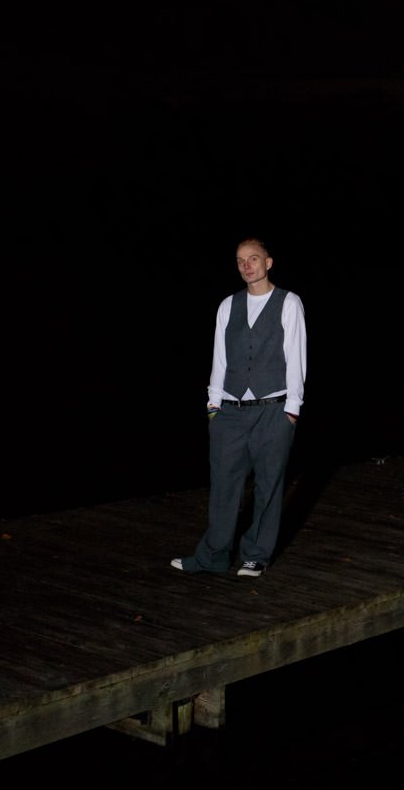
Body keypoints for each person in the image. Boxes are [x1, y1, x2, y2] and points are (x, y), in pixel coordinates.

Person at [172, 236, 307, 577]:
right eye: (240, 260)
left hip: (273, 409)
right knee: (223, 485)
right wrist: (213, 405)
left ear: (268, 262)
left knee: (268, 485)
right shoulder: (227, 305)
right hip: (229, 411)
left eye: (253, 258)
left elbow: (296, 357)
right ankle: (213, 556)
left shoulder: (289, 303)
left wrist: (292, 410)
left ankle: (255, 555)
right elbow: (220, 357)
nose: (246, 265)